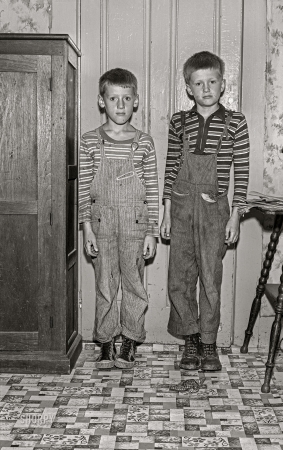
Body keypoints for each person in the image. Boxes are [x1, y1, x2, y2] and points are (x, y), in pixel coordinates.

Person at [160, 51, 250, 371]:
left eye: (212, 81)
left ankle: (209, 343)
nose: (206, 88)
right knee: (180, 278)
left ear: (223, 84)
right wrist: (167, 212)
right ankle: (191, 340)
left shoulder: (235, 122)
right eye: (199, 83)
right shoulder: (179, 122)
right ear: (189, 88)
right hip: (182, 206)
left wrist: (236, 214)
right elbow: (171, 168)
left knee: (210, 278)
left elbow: (242, 173)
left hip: (215, 211)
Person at [79, 68, 159, 369]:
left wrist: (151, 232)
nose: (121, 105)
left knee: (134, 283)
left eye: (127, 98)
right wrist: (86, 229)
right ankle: (106, 343)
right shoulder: (90, 142)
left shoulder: (144, 143)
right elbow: (84, 190)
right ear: (103, 102)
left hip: (135, 225)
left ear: (136, 101)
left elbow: (152, 188)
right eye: (114, 98)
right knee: (105, 283)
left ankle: (129, 341)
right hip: (101, 224)